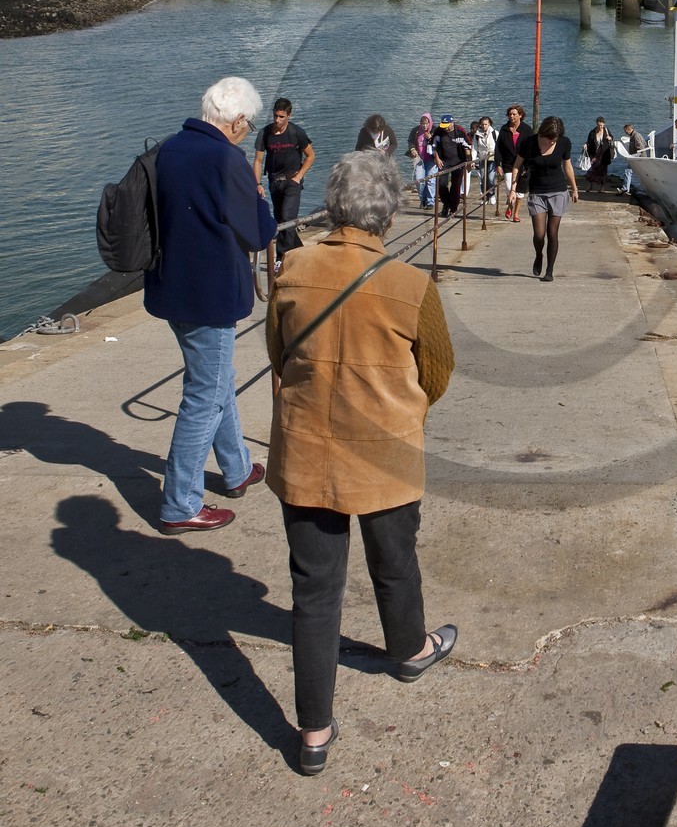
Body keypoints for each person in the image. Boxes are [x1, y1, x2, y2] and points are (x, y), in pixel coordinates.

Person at [266, 152, 456, 776]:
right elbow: (438, 372)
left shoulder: (292, 269)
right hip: (385, 451)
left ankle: (314, 733)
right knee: (395, 560)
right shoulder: (411, 285)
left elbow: (277, 352)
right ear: (389, 208)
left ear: (334, 203)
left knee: (314, 591)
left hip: (308, 449)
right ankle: (409, 649)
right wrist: (403, 408)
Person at [144, 76, 276, 535]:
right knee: (204, 395)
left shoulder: (169, 149)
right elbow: (259, 233)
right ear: (237, 121)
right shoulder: (226, 158)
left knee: (216, 381)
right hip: (210, 294)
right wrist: (259, 197)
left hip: (170, 286)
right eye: (248, 123)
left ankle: (237, 469)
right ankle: (180, 503)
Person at [512, 115, 579, 283]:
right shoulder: (529, 142)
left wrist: (574, 188)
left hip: (558, 191)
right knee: (539, 235)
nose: (553, 142)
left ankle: (549, 270)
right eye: (550, 139)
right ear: (543, 133)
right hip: (537, 193)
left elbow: (568, 166)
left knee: (552, 233)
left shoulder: (564, 142)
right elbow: (517, 165)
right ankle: (538, 254)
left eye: (555, 139)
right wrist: (513, 189)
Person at [253, 98, 315, 266]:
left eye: (281, 117)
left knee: (287, 218)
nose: (277, 120)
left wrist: (298, 176)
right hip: (274, 182)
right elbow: (258, 160)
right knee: (281, 220)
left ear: (289, 115)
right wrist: (257, 184)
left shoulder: (296, 133)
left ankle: (281, 258)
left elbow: (311, 156)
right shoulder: (265, 133)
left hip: (292, 182)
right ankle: (299, 252)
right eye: (275, 116)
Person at [432, 113, 470, 216]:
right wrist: (437, 158)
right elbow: (434, 146)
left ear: (452, 123)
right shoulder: (439, 131)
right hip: (444, 162)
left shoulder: (460, 131)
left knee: (456, 185)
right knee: (441, 184)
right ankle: (446, 204)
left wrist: (468, 160)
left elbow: (467, 146)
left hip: (458, 161)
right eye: (443, 126)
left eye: (447, 126)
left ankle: (453, 208)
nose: (445, 129)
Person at [495, 103, 527, 222]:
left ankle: (516, 213)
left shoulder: (527, 130)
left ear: (520, 115)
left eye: (514, 114)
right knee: (509, 187)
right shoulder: (504, 129)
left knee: (520, 191)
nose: (511, 116)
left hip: (523, 164)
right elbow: (498, 148)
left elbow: (532, 147)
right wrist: (498, 164)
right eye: (510, 114)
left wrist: (529, 165)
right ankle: (510, 205)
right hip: (508, 163)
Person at [408, 112, 437, 209]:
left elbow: (439, 144)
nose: (424, 126)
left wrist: (430, 139)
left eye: (426, 123)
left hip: (431, 159)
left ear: (430, 122)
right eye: (422, 123)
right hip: (420, 159)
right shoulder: (415, 131)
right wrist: (412, 149)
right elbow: (411, 141)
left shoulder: (435, 130)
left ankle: (430, 202)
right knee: (419, 180)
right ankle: (423, 199)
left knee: (430, 179)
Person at [584, 117, 614, 192]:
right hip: (594, 154)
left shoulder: (606, 131)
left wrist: (610, 138)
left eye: (601, 125)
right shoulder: (592, 132)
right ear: (596, 124)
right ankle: (590, 186)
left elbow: (612, 137)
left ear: (604, 124)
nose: (600, 127)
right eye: (598, 125)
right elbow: (588, 142)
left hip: (604, 154)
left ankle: (602, 187)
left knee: (603, 171)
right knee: (592, 170)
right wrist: (585, 145)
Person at [471, 115, 497, 197]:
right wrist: (473, 160)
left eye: (486, 124)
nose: (484, 126)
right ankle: (484, 195)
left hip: (492, 158)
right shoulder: (477, 134)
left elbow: (499, 146)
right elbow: (474, 147)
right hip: (482, 158)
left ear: (489, 124)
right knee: (482, 178)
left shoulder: (495, 133)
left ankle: (491, 194)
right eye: (482, 124)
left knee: (490, 178)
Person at [618, 123, 645, 194]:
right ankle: (626, 188)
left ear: (629, 130)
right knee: (630, 172)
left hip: (637, 157)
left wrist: (634, 156)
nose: (625, 133)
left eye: (626, 131)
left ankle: (625, 188)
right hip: (638, 157)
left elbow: (640, 148)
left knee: (628, 171)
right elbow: (644, 144)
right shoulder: (635, 135)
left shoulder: (635, 136)